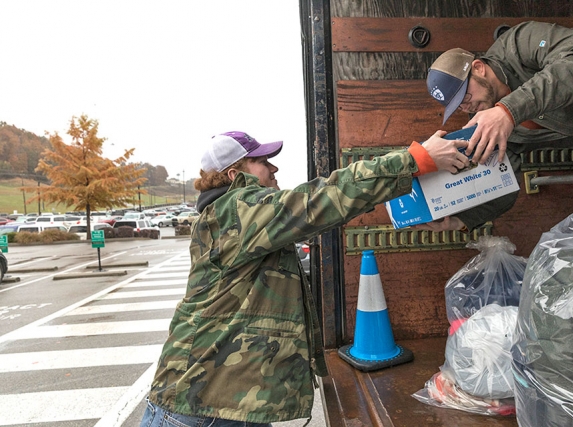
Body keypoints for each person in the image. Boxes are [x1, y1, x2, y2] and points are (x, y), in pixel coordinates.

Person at [140, 130, 469, 426]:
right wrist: (416, 159)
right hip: (203, 409)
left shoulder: (238, 217)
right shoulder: (235, 211)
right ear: (233, 173)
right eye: (263, 162)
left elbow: (324, 212)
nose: (274, 169)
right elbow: (324, 198)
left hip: (221, 403)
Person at [424, 21, 573, 233]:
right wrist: (461, 221)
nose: (466, 105)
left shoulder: (518, 44)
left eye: (465, 95)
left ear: (478, 68)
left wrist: (508, 111)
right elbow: (503, 181)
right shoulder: (484, 122)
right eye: (457, 105)